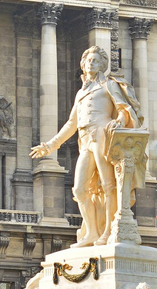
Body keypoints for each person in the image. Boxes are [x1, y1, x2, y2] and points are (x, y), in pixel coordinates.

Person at [29, 46, 144, 247]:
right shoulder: (81, 93)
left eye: (96, 61)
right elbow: (71, 124)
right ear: (83, 64)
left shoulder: (109, 85)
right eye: (88, 60)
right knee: (80, 189)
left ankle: (109, 231)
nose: (91, 63)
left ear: (102, 65)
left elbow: (123, 109)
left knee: (108, 186)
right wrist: (50, 146)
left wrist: (119, 119)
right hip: (85, 140)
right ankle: (91, 232)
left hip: (102, 136)